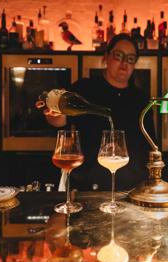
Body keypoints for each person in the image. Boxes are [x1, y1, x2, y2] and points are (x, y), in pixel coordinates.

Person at [46, 33, 156, 191]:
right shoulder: (84, 88)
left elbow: (150, 145)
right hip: (88, 188)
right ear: (107, 56)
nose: (124, 63)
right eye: (119, 56)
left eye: (130, 58)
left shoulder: (141, 98)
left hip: (132, 189)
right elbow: (59, 121)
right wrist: (54, 112)